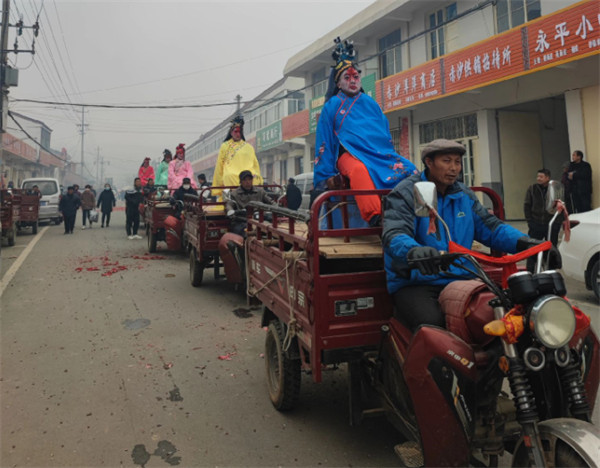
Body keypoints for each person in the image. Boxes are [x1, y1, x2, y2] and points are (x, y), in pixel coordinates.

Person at [382, 139, 560, 332]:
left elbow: (491, 227)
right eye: (446, 161)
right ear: (429, 162)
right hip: (419, 280)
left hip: (463, 276)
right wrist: (414, 251)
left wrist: (527, 243)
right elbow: (395, 232)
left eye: (457, 162)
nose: (453, 168)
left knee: (507, 313)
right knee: (433, 327)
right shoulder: (406, 193)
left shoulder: (463, 195)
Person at [314, 38, 417, 227]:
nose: (352, 81)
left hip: (378, 154)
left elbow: (383, 134)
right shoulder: (331, 106)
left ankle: (417, 214)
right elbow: (324, 141)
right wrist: (327, 174)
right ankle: (376, 217)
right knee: (360, 171)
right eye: (347, 77)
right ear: (337, 83)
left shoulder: (371, 103)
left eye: (356, 77)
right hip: (348, 156)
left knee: (410, 168)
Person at [212, 116, 263, 198]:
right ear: (231, 132)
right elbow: (219, 166)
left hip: (248, 173)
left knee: (254, 176)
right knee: (229, 175)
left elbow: (255, 164)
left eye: (239, 132)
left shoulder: (249, 147)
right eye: (235, 132)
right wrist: (219, 183)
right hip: (231, 174)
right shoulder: (225, 146)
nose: (237, 134)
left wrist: (257, 175)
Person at [524, 169, 563, 272]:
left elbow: (561, 206)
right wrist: (530, 221)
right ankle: (531, 270)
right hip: (536, 223)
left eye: (541, 177)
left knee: (551, 248)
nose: (538, 179)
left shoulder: (555, 189)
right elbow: (527, 205)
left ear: (547, 178)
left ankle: (550, 270)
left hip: (551, 224)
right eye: (538, 177)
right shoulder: (532, 189)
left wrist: (557, 222)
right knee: (532, 248)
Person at [226, 170, 275, 236]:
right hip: (242, 220)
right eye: (245, 180)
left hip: (260, 219)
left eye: (249, 179)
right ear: (241, 182)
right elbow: (229, 203)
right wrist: (230, 210)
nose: (248, 182)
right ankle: (244, 245)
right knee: (244, 232)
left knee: (272, 229)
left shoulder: (260, 192)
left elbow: (271, 202)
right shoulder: (235, 194)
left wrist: (277, 208)